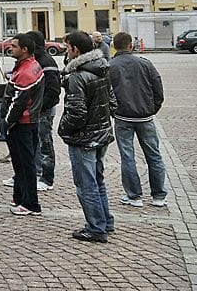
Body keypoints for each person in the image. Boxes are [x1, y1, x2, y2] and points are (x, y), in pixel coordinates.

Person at [59, 30, 116, 242]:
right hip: (101, 134)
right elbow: (113, 103)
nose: (66, 51)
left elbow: (77, 112)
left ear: (75, 49)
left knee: (86, 184)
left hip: (84, 138)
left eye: (67, 47)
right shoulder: (102, 69)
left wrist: (63, 129)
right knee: (97, 180)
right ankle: (105, 222)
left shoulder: (77, 76)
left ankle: (96, 228)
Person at [108, 32, 167, 208]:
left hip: (123, 116)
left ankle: (134, 196)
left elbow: (107, 94)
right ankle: (158, 195)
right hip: (145, 116)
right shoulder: (145, 64)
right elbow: (158, 90)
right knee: (154, 155)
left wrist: (114, 111)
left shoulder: (111, 66)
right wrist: (151, 109)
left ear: (114, 46)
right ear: (130, 46)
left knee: (127, 157)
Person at [1, 33, 44, 216]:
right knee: (22, 164)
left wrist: (7, 122)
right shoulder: (31, 65)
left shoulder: (26, 72)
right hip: (29, 121)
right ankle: (19, 196)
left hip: (22, 123)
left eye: (14, 46)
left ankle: (30, 203)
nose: (11, 48)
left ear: (25, 49)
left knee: (25, 164)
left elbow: (18, 102)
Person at [29, 30, 62, 192]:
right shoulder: (36, 60)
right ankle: (37, 170)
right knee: (35, 142)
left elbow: (54, 90)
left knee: (45, 143)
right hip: (37, 109)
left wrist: (40, 107)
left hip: (44, 110)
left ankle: (47, 178)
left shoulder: (45, 61)